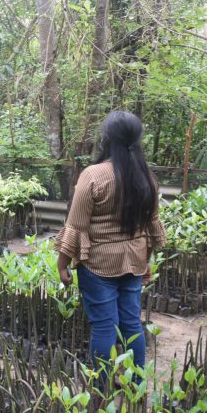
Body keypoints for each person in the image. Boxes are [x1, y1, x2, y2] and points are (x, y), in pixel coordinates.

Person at [55, 111, 165, 383]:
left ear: (106, 140)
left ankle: (100, 387)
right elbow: (150, 228)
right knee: (131, 325)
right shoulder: (147, 178)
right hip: (134, 262)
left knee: (104, 327)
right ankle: (136, 384)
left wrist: (62, 264)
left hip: (98, 265)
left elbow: (76, 225)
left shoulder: (93, 175)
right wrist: (145, 261)